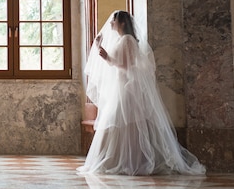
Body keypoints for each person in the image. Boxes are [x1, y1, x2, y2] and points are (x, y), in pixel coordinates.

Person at [77, 10, 206, 176]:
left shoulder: (127, 40)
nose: (111, 23)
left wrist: (107, 57)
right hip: (122, 85)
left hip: (126, 88)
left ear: (122, 23)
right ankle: (122, 160)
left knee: (124, 123)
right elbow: (119, 63)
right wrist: (101, 51)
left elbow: (126, 64)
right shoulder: (123, 40)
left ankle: (131, 161)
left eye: (114, 21)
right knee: (120, 123)